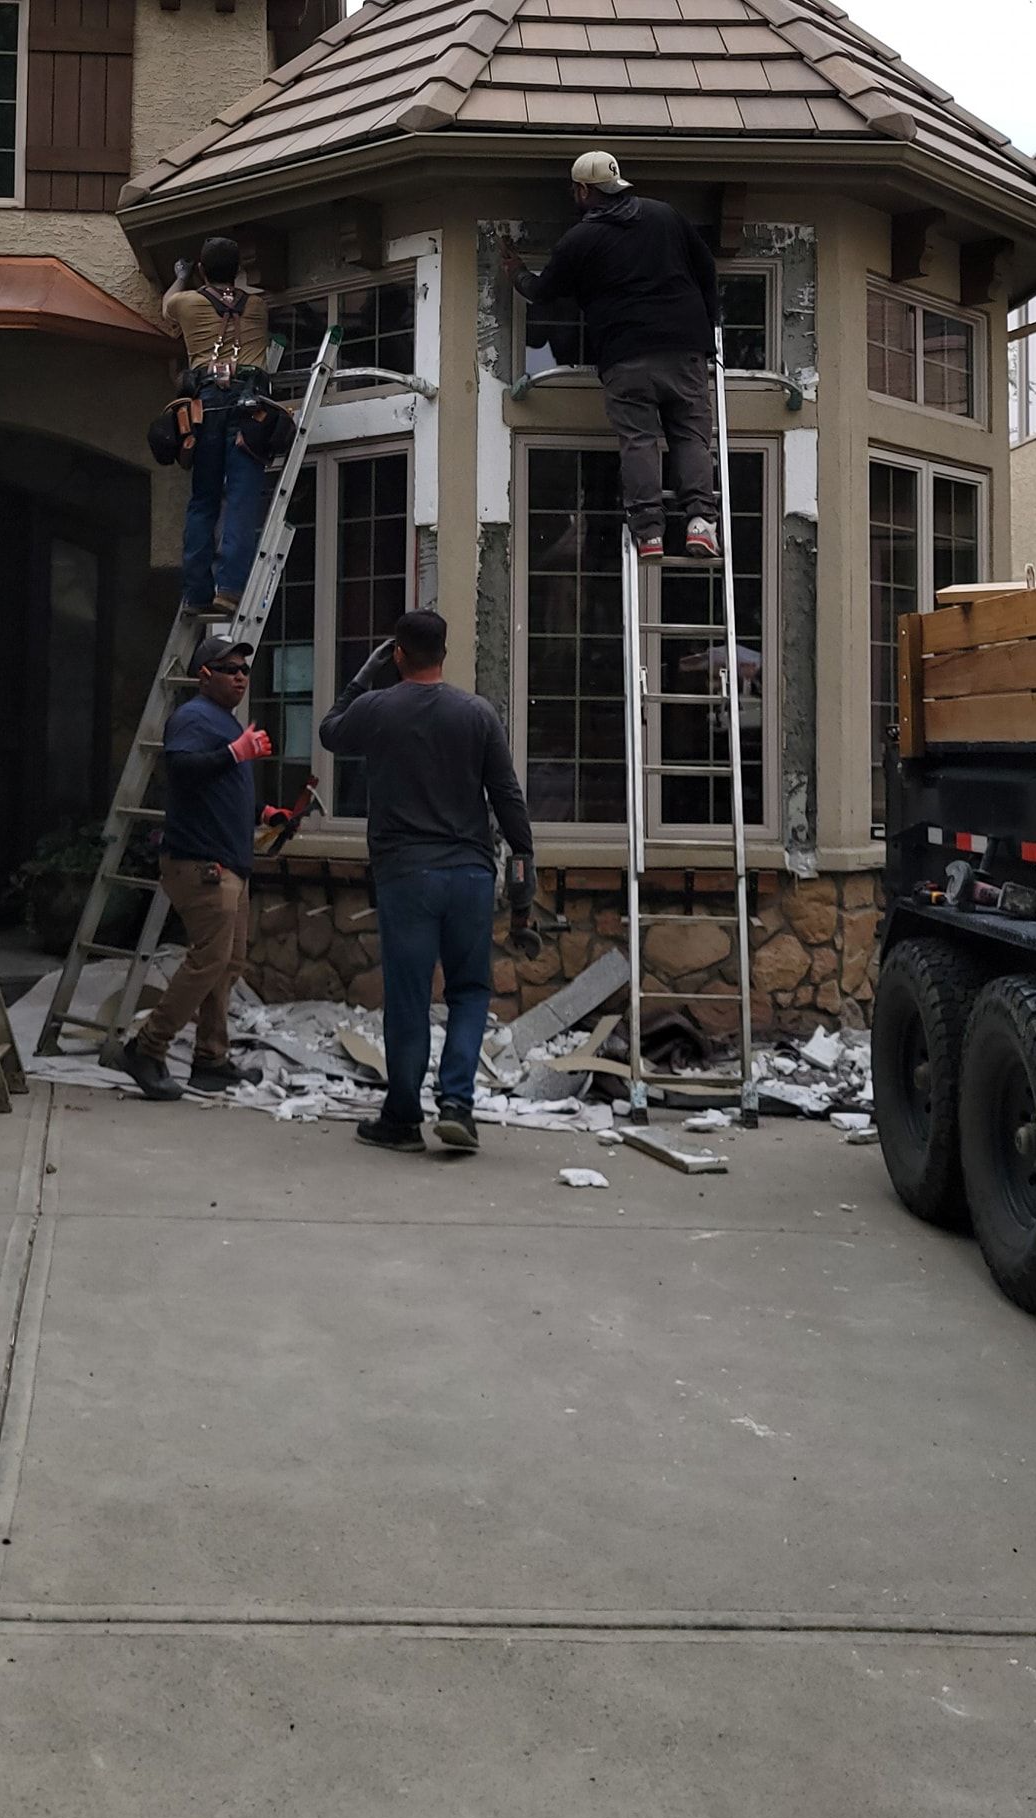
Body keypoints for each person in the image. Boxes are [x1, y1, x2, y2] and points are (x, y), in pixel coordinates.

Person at [320, 610, 535, 1155]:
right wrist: (523, 875)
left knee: (410, 997)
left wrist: (363, 678)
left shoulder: (375, 708)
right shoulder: (477, 714)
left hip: (406, 874)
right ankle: (457, 1104)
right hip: (469, 873)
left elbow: (329, 732)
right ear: (445, 652)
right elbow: (507, 798)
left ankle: (401, 1118)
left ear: (397, 654)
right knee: (469, 991)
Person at [501, 151, 721, 564]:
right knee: (691, 435)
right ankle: (700, 524)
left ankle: (650, 532)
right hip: (684, 348)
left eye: (575, 189)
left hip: (626, 355)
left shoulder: (580, 240)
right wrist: (707, 325)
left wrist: (516, 272)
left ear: (584, 190)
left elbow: (544, 292)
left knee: (639, 440)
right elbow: (706, 266)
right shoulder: (665, 216)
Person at [116, 635, 275, 1103]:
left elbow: (222, 791)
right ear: (204, 675)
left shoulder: (225, 724)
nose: (241, 677)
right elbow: (181, 770)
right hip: (202, 865)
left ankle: (210, 1060)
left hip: (229, 865)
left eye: (245, 669)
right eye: (230, 669)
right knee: (208, 961)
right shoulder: (191, 718)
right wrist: (235, 754)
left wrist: (265, 812)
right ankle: (147, 1049)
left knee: (229, 962)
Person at [164, 236, 272, 618]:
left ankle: (196, 593)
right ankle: (229, 589)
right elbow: (247, 294)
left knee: (204, 499)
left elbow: (166, 306)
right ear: (238, 269)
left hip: (205, 405)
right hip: (249, 404)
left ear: (201, 269)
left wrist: (181, 276)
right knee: (242, 499)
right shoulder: (257, 307)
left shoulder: (186, 302)